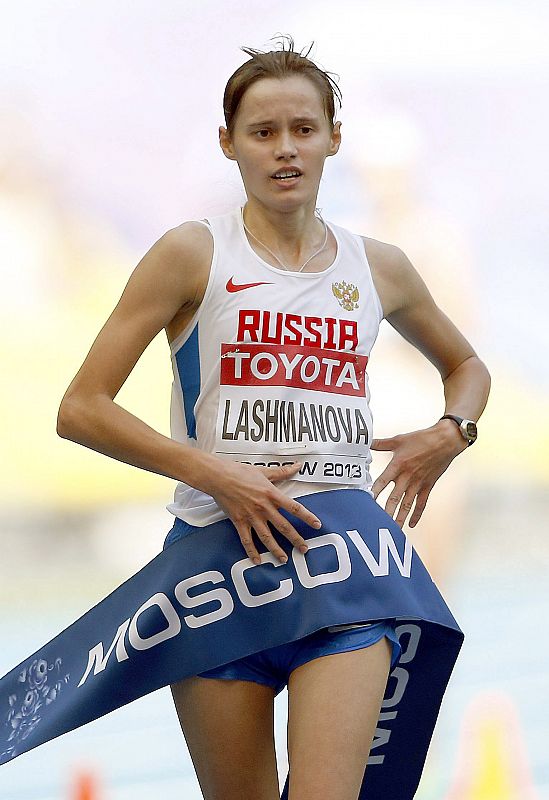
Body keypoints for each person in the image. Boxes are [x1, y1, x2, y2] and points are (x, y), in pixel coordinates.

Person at [55, 37, 490, 800]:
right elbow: (81, 408)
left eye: (303, 129)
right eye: (262, 133)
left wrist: (450, 432)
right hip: (217, 573)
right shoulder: (191, 253)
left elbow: (468, 367)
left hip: (343, 567)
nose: (285, 150)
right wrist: (217, 475)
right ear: (229, 144)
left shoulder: (378, 265)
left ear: (332, 139)